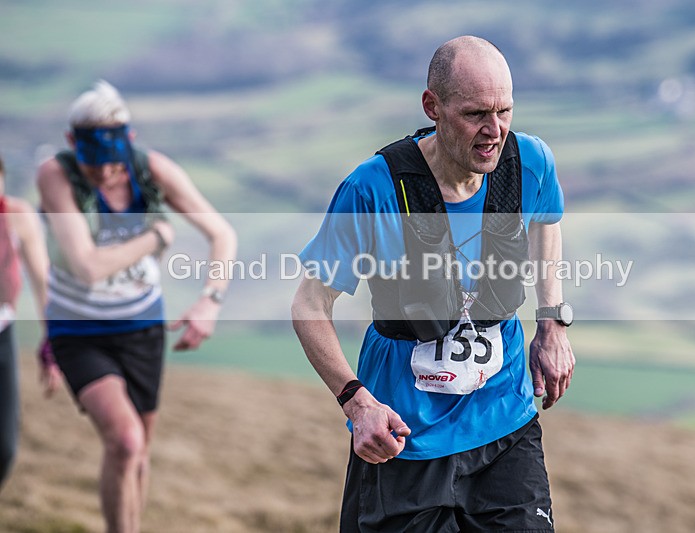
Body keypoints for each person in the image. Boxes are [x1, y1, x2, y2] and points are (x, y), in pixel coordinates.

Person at [292, 36, 575, 531]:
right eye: (475, 115)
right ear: (433, 106)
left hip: (505, 426)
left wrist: (551, 325)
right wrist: (357, 403)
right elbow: (309, 305)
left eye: (504, 111)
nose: (495, 131)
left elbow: (546, 222)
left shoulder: (530, 162)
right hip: (404, 438)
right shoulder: (374, 188)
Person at [36, 80, 237, 533]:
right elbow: (87, 266)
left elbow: (222, 233)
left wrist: (210, 301)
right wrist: (157, 236)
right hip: (79, 330)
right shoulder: (55, 174)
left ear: (128, 143)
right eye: (94, 164)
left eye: (113, 164)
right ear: (74, 145)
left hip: (141, 327)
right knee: (124, 441)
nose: (105, 174)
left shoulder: (152, 170)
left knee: (139, 452)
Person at [0, 154, 61, 491]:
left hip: (2, 332)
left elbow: (42, 283)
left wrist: (52, 343)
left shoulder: (17, 217)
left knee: (4, 449)